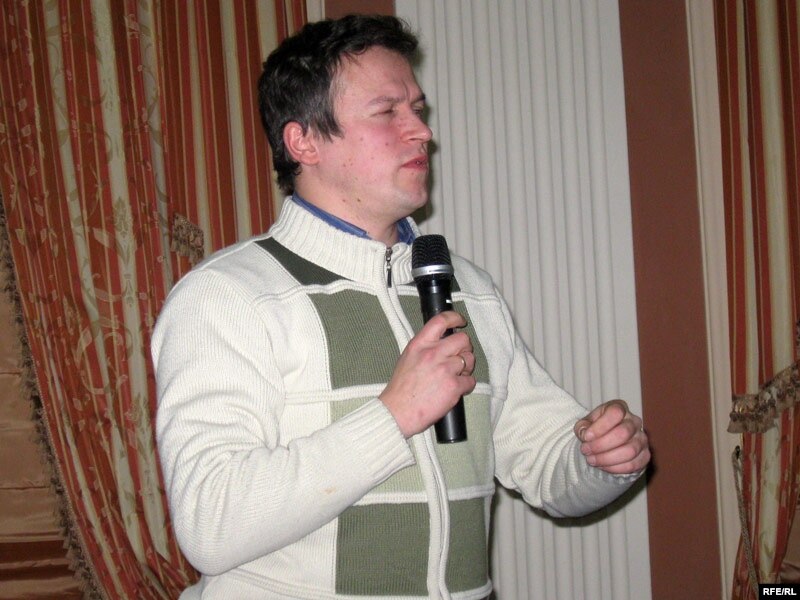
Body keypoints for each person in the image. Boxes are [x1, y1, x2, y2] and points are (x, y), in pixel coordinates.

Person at [152, 14, 650, 600]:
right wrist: (394, 416)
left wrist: (600, 460)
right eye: (387, 111)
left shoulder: (469, 288)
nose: (422, 132)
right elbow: (210, 523)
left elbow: (544, 461)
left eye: (417, 109)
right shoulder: (227, 297)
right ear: (304, 141)